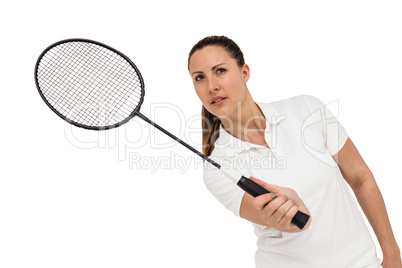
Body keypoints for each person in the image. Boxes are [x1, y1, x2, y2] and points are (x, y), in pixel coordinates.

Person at [187, 35, 401, 268]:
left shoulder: (307, 109)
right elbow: (281, 222)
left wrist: (392, 253)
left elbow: (361, 178)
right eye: (200, 78)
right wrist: (288, 213)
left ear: (245, 72)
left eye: (220, 71)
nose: (211, 86)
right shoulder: (216, 169)